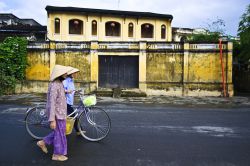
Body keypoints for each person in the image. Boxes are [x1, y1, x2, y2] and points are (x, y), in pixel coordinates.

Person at [36, 64, 72, 161]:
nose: (66, 74)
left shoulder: (59, 83)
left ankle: (42, 142)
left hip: (61, 113)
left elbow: (59, 95)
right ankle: (56, 155)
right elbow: (52, 103)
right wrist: (52, 120)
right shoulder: (55, 84)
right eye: (64, 72)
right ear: (59, 74)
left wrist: (66, 92)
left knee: (60, 132)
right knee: (60, 135)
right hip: (57, 114)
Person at [63, 67, 80, 135]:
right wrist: (67, 91)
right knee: (73, 115)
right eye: (74, 73)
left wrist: (77, 91)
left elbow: (72, 90)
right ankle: (78, 130)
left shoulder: (71, 81)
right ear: (70, 74)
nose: (75, 74)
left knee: (71, 116)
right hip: (65, 101)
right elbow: (62, 90)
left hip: (69, 101)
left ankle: (78, 130)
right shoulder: (66, 81)